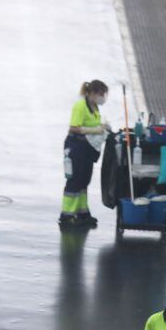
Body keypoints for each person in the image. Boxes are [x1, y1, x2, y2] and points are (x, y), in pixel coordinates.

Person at [60, 79, 110, 228]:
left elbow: (92, 123)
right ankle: (67, 215)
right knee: (75, 180)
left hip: (87, 148)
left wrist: (102, 126)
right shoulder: (80, 106)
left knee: (84, 180)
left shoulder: (94, 107)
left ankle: (82, 212)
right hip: (77, 146)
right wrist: (94, 130)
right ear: (92, 93)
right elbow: (74, 128)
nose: (103, 98)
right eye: (101, 94)